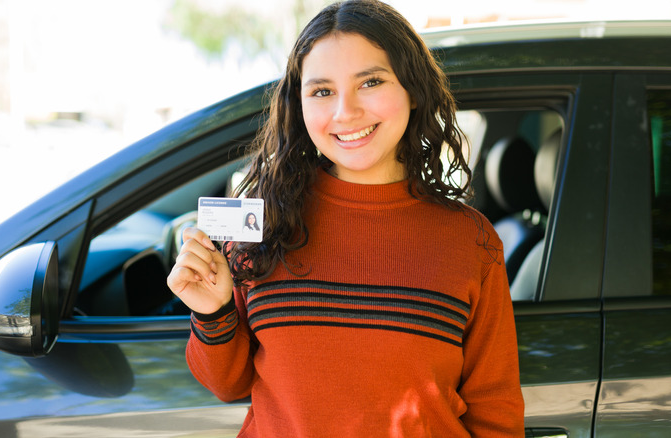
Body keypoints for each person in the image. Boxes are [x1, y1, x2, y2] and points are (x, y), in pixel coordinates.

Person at [167, 0, 524, 436]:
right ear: (299, 105)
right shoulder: (262, 223)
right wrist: (213, 312)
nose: (345, 112)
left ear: (412, 90)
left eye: (370, 82)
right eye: (321, 91)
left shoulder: (471, 241)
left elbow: (496, 414)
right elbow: (227, 384)